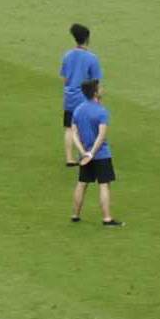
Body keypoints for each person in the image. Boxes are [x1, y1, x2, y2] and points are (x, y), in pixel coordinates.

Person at [69, 79, 121, 227]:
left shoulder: (78, 110)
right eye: (100, 87)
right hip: (101, 154)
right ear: (95, 92)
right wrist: (92, 153)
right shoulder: (101, 111)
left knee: (82, 184)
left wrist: (83, 152)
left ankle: (75, 215)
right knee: (104, 185)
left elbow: (74, 133)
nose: (102, 89)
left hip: (84, 155)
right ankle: (107, 218)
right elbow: (101, 135)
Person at [59, 24, 101, 167]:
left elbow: (64, 78)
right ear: (87, 39)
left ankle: (69, 158)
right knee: (85, 127)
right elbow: (96, 82)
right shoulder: (92, 58)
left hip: (69, 97)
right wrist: (98, 99)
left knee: (69, 127)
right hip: (85, 98)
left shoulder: (67, 55)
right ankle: (85, 154)